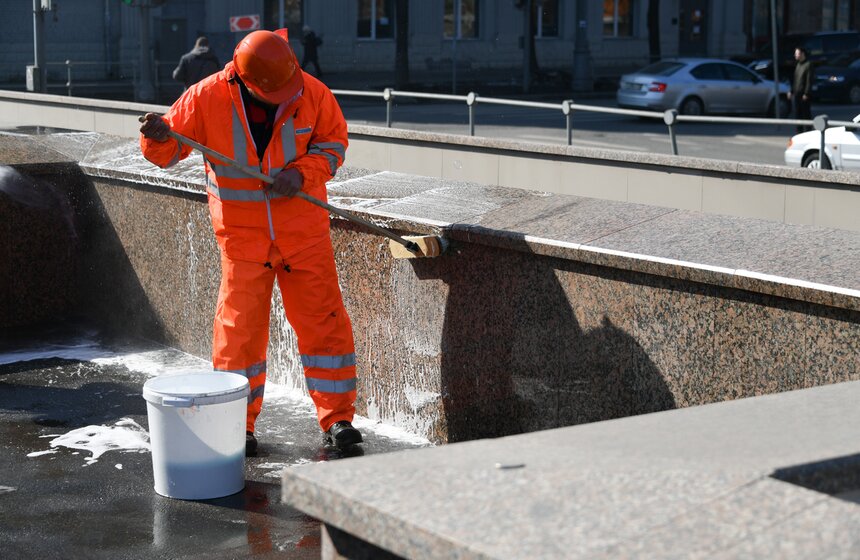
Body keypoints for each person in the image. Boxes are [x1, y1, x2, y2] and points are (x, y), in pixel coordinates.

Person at [140, 29, 360, 456]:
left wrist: (303, 172)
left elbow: (333, 145)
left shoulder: (311, 92)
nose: (281, 97)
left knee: (324, 326)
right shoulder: (205, 97)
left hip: (303, 235)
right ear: (243, 80)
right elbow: (164, 155)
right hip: (243, 240)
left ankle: (338, 420)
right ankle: (237, 425)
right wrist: (157, 135)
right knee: (239, 337)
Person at [789, 46, 812, 132]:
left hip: (803, 94)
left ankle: (808, 131)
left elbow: (809, 80)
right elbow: (795, 80)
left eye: (797, 54)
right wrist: (791, 91)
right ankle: (799, 132)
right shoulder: (798, 65)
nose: (795, 55)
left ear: (802, 54)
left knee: (805, 114)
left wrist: (806, 93)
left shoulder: (808, 65)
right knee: (797, 114)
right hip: (797, 93)